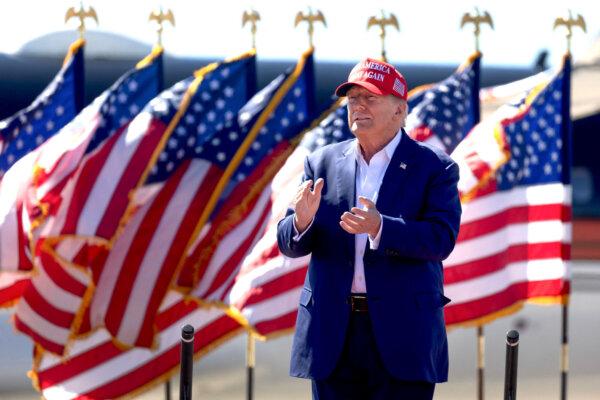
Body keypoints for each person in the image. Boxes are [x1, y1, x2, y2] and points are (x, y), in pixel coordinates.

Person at [277, 58, 462, 400]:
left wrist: (381, 228)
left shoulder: (435, 167)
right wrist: (300, 222)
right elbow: (289, 242)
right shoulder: (322, 162)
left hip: (403, 336)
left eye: (371, 98)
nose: (358, 106)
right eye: (353, 99)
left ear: (399, 110)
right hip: (333, 333)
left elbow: (441, 238)